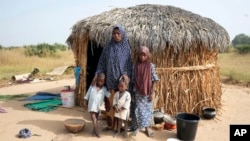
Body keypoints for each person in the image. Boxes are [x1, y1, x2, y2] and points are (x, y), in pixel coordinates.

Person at [91, 24, 133, 131]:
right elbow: (102, 62)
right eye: (114, 33)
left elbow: (129, 64)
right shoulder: (108, 46)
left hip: (121, 83)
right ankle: (111, 126)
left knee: (121, 104)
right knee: (110, 104)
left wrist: (125, 74)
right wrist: (97, 74)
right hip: (110, 81)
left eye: (118, 33)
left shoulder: (126, 48)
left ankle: (120, 127)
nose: (116, 35)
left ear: (122, 34)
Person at [132, 46, 159, 137]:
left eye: (144, 55)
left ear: (147, 55)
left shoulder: (151, 66)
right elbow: (132, 80)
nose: (142, 57)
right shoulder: (135, 66)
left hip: (147, 92)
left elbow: (154, 80)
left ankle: (147, 128)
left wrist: (152, 92)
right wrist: (132, 94)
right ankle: (137, 127)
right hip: (137, 92)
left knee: (147, 110)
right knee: (137, 109)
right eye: (140, 55)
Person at [84, 72, 110, 138]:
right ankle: (97, 131)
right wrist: (85, 103)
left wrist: (111, 90)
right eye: (99, 80)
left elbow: (108, 95)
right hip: (91, 106)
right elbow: (87, 95)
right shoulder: (92, 86)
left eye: (102, 81)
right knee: (94, 118)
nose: (101, 82)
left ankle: (93, 131)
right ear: (97, 80)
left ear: (104, 81)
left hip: (98, 107)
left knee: (96, 119)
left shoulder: (104, 89)